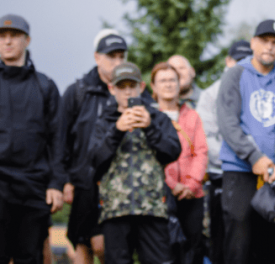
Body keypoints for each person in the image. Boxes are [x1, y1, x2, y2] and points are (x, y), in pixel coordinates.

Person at [216, 19, 275, 264]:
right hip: (239, 170)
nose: (270, 47)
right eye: (264, 41)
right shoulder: (235, 75)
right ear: (253, 42)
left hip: (274, 175)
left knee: (273, 246)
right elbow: (228, 124)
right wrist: (254, 157)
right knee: (238, 244)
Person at [90, 62, 181, 264]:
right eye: (122, 87)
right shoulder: (103, 121)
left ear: (141, 87)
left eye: (132, 86)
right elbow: (94, 159)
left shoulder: (158, 118)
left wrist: (150, 127)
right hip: (115, 210)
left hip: (153, 208)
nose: (127, 92)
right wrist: (116, 130)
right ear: (112, 89)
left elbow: (173, 151)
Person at [0, 14, 65, 264]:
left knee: (31, 257)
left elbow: (57, 139)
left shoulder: (45, 86)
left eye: (14, 36)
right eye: (2, 37)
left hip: (34, 186)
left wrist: (56, 183)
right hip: (0, 184)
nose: (7, 42)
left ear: (26, 40)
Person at [62, 29, 128, 264]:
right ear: (97, 57)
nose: (117, 62)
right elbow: (62, 139)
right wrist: (65, 180)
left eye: (122, 56)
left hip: (119, 183)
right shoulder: (78, 92)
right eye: (111, 56)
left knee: (104, 245)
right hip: (83, 181)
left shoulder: (133, 91)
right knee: (81, 241)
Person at [195, 40, 252, 264]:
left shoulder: (259, 92)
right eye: (238, 60)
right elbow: (205, 138)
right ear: (228, 62)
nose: (242, 65)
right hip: (223, 177)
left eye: (248, 61)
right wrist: (242, 158)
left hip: (256, 178)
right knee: (223, 242)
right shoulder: (210, 95)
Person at [155, 62, 208, 264]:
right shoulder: (151, 117)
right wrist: (172, 185)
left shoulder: (192, 116)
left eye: (172, 80)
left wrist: (191, 184)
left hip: (193, 193)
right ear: (154, 86)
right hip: (163, 194)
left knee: (193, 250)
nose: (168, 85)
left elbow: (201, 151)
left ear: (179, 84)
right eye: (163, 80)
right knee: (166, 250)